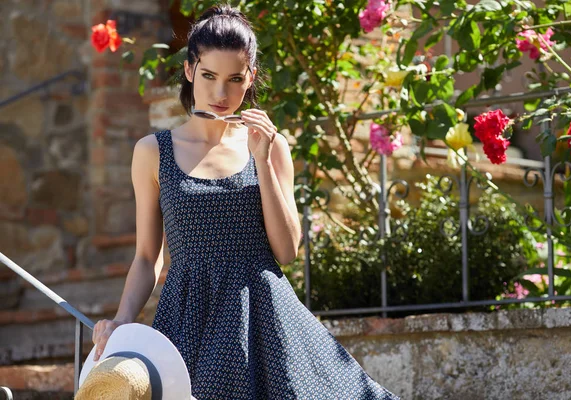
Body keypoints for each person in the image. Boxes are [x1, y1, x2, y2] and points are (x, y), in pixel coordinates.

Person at [92, 4, 401, 399]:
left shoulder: (271, 145)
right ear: (189, 70)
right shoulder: (153, 151)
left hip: (266, 318)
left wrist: (262, 159)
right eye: (209, 76)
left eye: (235, 79)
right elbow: (146, 257)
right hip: (189, 321)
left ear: (250, 76)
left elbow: (287, 250)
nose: (221, 93)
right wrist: (121, 321)